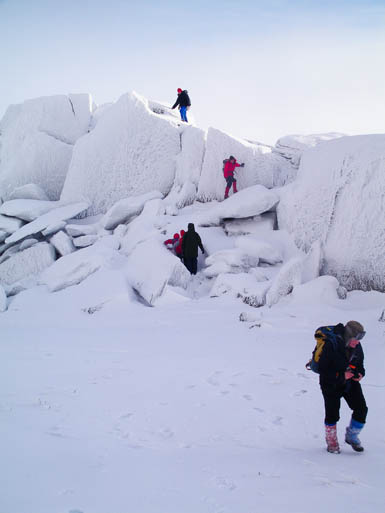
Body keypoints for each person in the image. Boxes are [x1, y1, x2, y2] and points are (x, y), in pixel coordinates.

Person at [317, 321, 368, 454]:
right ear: (348, 336)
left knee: (361, 409)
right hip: (330, 383)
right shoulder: (331, 345)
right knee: (332, 414)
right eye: (355, 340)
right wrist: (341, 375)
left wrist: (360, 373)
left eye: (359, 340)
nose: (357, 343)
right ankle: (331, 442)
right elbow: (322, 369)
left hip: (349, 382)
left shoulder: (357, 346)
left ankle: (351, 436)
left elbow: (360, 363)